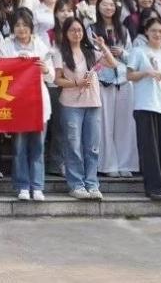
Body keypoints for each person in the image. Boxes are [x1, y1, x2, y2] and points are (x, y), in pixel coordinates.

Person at [54, 16, 117, 200]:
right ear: (66, 33)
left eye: (79, 30)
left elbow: (113, 63)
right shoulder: (60, 53)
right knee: (73, 146)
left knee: (92, 147)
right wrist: (76, 83)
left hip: (93, 103)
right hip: (70, 104)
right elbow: (57, 80)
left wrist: (102, 46)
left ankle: (92, 184)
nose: (77, 33)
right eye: (72, 30)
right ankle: (76, 184)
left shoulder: (90, 52)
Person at [0, 10, 54, 201]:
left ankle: (37, 186)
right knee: (19, 146)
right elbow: (0, 72)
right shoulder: (6, 45)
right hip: (17, 103)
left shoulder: (40, 45)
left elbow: (52, 77)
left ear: (31, 27)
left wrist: (45, 69)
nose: (21, 29)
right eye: (17, 25)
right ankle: (22, 185)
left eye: (25, 25)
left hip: (38, 102)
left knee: (38, 146)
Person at [127, 17, 161, 201]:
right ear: (146, 32)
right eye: (154, 31)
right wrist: (146, 72)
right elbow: (130, 75)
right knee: (150, 148)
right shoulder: (138, 51)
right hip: (145, 104)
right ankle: (154, 187)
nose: (158, 34)